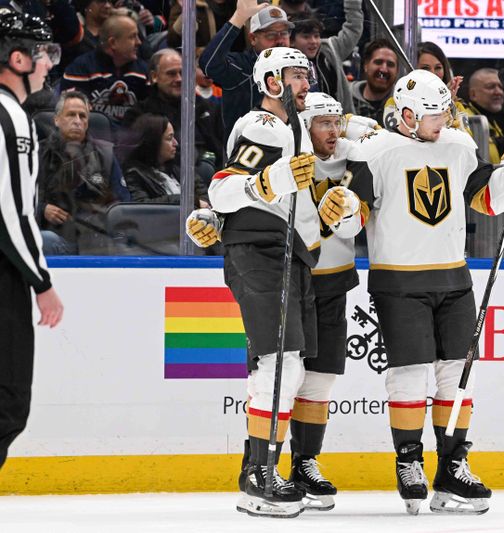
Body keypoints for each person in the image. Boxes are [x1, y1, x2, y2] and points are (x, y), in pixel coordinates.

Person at [340, 69, 504, 515]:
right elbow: (351, 217)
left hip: (454, 277)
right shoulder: (376, 152)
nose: (443, 120)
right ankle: (409, 460)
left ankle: (453, 464)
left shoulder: (458, 145)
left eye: (446, 111)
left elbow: (490, 200)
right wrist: (338, 208)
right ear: (408, 114)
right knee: (411, 372)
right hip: (399, 280)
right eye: (434, 114)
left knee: (457, 373)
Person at [187, 91, 365, 511]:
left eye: (336, 122)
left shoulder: (355, 149)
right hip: (287, 263)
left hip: (327, 274)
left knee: (310, 376)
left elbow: (398, 142)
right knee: (279, 365)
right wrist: (218, 219)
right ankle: (261, 467)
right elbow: (245, 192)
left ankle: (299, 464)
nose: (332, 130)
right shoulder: (276, 138)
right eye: (323, 122)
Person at [208, 46, 320, 519]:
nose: (305, 82)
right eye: (296, 75)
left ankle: (260, 468)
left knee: (285, 367)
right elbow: (222, 186)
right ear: (272, 82)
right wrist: (265, 184)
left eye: (306, 74)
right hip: (257, 249)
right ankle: (258, 475)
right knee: (277, 365)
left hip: (286, 251)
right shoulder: (264, 126)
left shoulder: (299, 132)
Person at [0, 8, 64, 470]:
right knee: (7, 404)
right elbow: (11, 211)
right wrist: (41, 281)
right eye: (42, 53)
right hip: (4, 275)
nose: (49, 64)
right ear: (17, 58)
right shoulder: (12, 118)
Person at [38, 90, 130, 255]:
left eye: (83, 116)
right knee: (45, 240)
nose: (77, 121)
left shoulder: (106, 154)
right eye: (71, 115)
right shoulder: (37, 153)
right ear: (57, 120)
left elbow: (123, 203)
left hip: (97, 239)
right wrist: (41, 209)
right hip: (57, 235)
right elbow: (16, 199)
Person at [199, 0, 292, 139]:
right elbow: (208, 64)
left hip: (287, 152)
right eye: (271, 35)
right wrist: (238, 18)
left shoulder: (298, 66)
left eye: (284, 33)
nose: (280, 41)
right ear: (253, 38)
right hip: (243, 154)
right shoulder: (241, 66)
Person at [122, 48, 225, 171]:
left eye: (182, 73)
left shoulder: (209, 109)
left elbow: (224, 151)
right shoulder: (138, 116)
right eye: (171, 74)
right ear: (154, 76)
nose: (179, 79)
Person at [61, 14, 149, 125]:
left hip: (131, 138)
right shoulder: (81, 68)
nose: (139, 42)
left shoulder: (143, 70)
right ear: (113, 43)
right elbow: (73, 114)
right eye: (132, 37)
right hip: (92, 137)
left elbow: (150, 113)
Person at [288, 0, 362, 112]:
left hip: (337, 124)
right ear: (292, 41)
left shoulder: (330, 49)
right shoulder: (283, 61)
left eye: (316, 36)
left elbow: (353, 28)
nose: (313, 41)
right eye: (306, 37)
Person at [122, 113, 209, 206]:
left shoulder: (179, 165)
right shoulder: (133, 174)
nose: (175, 143)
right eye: (169, 138)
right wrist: (187, 200)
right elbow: (143, 206)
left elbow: (204, 196)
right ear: (153, 142)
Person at [350, 38, 398, 126]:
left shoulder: (403, 105)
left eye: (390, 64)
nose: (384, 69)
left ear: (397, 71)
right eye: (378, 62)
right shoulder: (346, 100)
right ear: (366, 66)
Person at [463, 67, 504, 164]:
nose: (498, 92)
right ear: (473, 94)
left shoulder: (494, 122)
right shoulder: (466, 121)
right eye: (490, 87)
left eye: (501, 87)